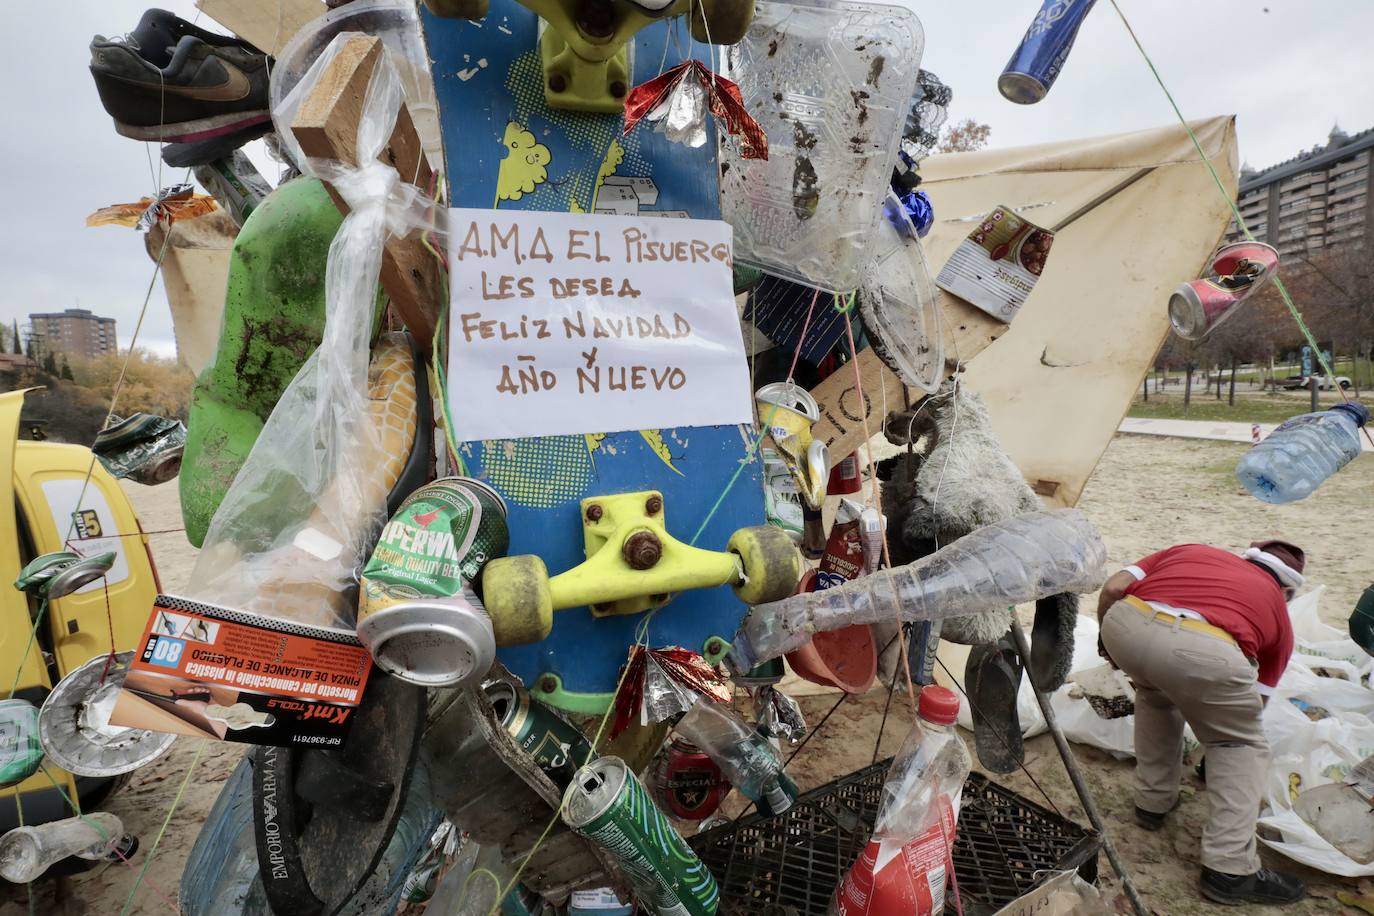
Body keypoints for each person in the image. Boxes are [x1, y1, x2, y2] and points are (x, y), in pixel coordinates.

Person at [1096, 539, 1307, 907]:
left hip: (1127, 624)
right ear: (1287, 590)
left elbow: (1114, 586)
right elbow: (1252, 706)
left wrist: (1106, 641)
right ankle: (1229, 869)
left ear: (1245, 558)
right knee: (1240, 745)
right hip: (1204, 648)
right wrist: (1218, 749)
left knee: (1154, 696)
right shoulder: (1278, 611)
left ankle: (1153, 801)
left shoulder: (1192, 550)